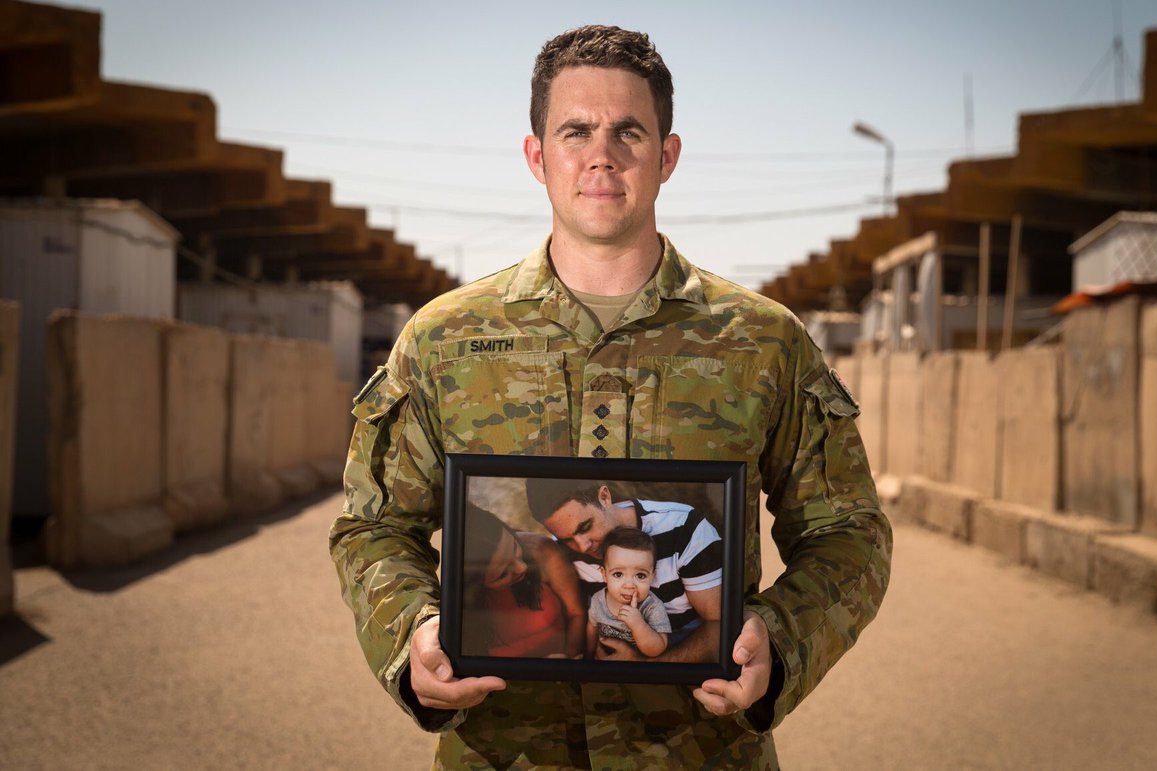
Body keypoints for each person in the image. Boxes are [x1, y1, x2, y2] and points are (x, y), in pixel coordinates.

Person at [331, 24, 892, 768]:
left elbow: (849, 532)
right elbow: (374, 528)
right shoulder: (442, 342)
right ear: (537, 156)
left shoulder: (764, 343)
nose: (602, 153)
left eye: (629, 130)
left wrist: (779, 642)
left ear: (668, 156)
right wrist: (414, 633)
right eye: (576, 130)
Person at [526, 478, 721, 657]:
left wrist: (641, 669)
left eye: (585, 527)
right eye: (567, 539)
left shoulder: (684, 527)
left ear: (604, 497)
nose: (582, 546)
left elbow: (719, 626)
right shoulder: (560, 551)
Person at [461, 502, 586, 659]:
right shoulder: (459, 608)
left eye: (515, 548)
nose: (522, 568)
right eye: (503, 573)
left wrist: (568, 658)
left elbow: (576, 613)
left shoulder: (542, 550)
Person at [587, 527, 672, 659]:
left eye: (640, 576)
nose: (629, 585)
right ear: (604, 575)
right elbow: (592, 626)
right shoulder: (598, 599)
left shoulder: (651, 607)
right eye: (618, 574)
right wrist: (588, 656)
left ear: (652, 576)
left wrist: (638, 625)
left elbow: (657, 649)